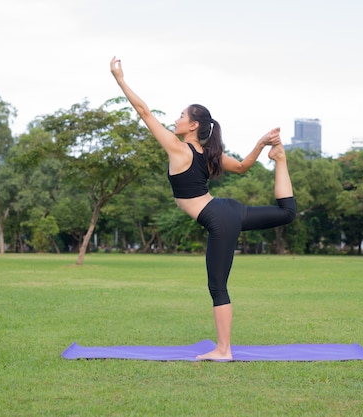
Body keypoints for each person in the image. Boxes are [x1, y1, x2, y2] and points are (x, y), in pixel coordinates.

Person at [110, 56, 296, 360]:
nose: (176, 118)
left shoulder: (178, 149)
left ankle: (224, 350)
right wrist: (263, 144)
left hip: (219, 218)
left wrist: (119, 78)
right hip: (228, 211)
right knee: (287, 213)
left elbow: (143, 112)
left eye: (181, 115)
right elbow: (243, 167)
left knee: (217, 286)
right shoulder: (210, 153)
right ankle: (282, 160)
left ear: (193, 125)